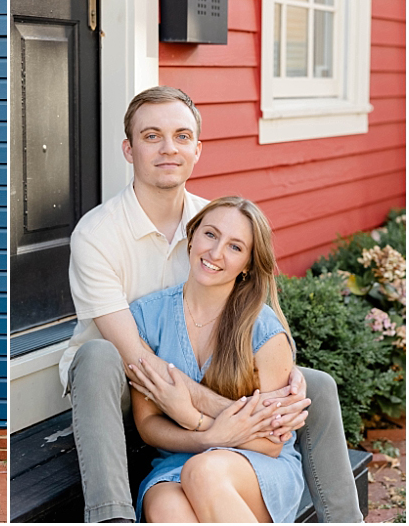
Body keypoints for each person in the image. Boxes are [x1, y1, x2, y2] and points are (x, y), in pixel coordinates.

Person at [61, 86, 361, 522]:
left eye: (182, 136)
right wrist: (225, 420)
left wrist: (280, 372)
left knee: (313, 386)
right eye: (151, 137)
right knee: (97, 356)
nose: (169, 148)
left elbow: (251, 314)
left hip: (207, 385)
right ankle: (112, 515)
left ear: (197, 150)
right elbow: (140, 362)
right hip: (122, 382)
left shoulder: (212, 220)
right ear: (128, 150)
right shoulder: (97, 234)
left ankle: (344, 519)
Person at [129, 196, 303, 522]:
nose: (216, 253)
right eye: (210, 235)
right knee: (165, 505)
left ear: (249, 264)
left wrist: (197, 421)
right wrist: (207, 438)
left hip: (257, 466)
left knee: (205, 471)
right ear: (192, 236)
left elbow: (270, 444)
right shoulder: (145, 317)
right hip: (175, 463)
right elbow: (148, 424)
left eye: (235, 247)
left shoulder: (263, 331)